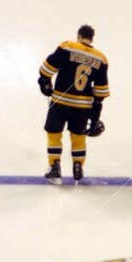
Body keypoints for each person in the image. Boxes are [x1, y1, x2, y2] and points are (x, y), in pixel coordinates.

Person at [38, 24, 110, 186]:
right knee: (78, 136)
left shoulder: (67, 47)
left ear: (79, 36)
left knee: (54, 133)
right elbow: (100, 93)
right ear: (91, 39)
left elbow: (45, 69)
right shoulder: (101, 59)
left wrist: (45, 83)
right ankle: (78, 166)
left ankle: (55, 166)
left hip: (60, 101)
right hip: (82, 106)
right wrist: (95, 116)